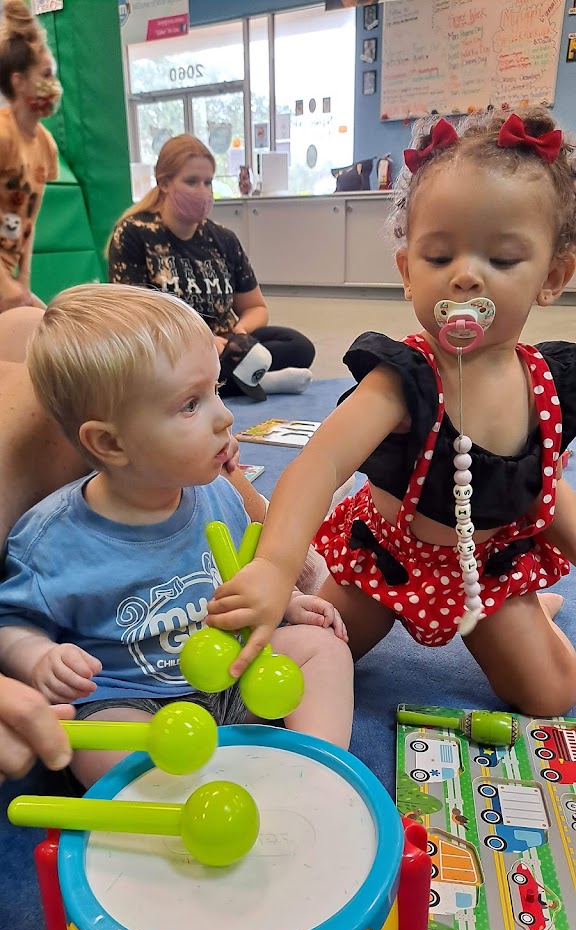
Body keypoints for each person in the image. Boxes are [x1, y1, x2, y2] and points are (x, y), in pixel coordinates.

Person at [207, 107, 576, 718]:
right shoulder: (403, 378)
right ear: (407, 272)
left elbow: (543, 488)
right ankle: (315, 583)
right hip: (385, 563)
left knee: (552, 696)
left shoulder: (548, 383)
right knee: (310, 655)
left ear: (553, 276)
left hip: (486, 573)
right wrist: (273, 568)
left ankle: (534, 610)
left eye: (503, 260)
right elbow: (322, 464)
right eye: (439, 257)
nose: (466, 278)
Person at [0, 284, 353, 790]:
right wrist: (37, 656)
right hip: (131, 698)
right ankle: (171, 797)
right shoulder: (48, 539)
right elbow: (11, 622)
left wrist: (289, 602)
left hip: (234, 671)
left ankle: (320, 771)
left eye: (216, 390)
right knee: (91, 736)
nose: (226, 416)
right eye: (191, 404)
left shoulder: (218, 493)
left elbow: (245, 574)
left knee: (322, 649)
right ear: (110, 442)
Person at [108, 134, 314, 400]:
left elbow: (255, 307)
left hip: (226, 345)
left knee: (299, 347)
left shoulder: (223, 239)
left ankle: (225, 381)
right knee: (151, 369)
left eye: (208, 182)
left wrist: (239, 334)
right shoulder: (134, 233)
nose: (203, 191)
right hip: (172, 346)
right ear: (164, 183)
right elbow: (133, 320)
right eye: (191, 181)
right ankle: (253, 380)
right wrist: (202, 342)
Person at [0, 0, 60, 313]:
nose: (54, 86)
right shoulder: (4, 136)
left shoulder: (46, 146)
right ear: (19, 82)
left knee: (49, 321)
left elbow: (26, 221)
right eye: (46, 75)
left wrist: (22, 281)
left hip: (7, 271)